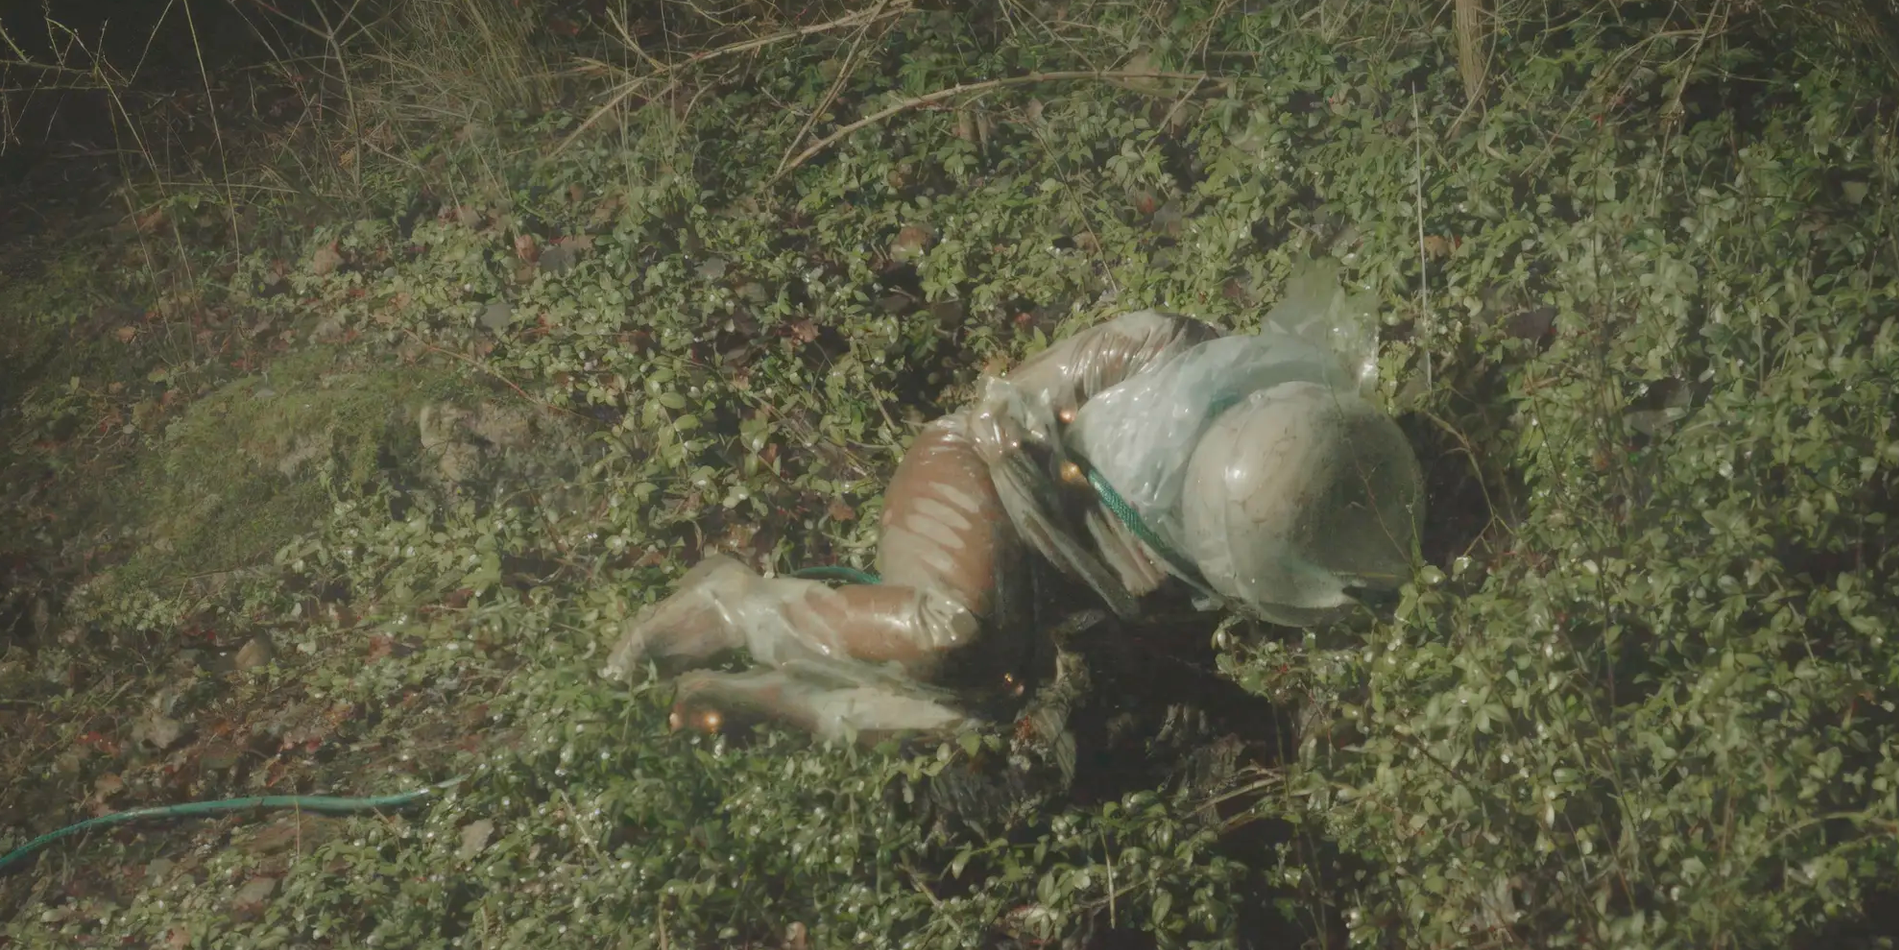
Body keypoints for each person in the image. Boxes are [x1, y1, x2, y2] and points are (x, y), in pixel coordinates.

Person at [604, 264, 1423, 742]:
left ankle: (763, 703)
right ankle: (737, 605)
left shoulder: (1323, 477)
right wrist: (1057, 509)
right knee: (956, 634)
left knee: (991, 713)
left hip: (1066, 587)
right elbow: (1003, 416)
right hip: (979, 479)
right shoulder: (1155, 351)